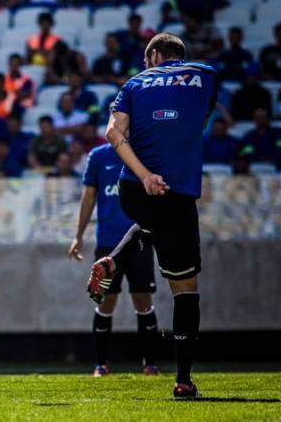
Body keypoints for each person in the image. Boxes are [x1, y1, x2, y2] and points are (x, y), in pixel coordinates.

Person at [97, 33, 217, 399]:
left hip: (134, 190)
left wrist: (145, 175)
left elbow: (113, 132)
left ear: (152, 54)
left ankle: (114, 260)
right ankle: (183, 380)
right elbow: (199, 119)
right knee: (186, 290)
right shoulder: (207, 74)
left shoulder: (133, 83)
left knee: (152, 226)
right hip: (177, 193)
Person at [69, 143, 159, 377]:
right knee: (105, 301)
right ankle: (100, 364)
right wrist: (78, 236)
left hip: (139, 240)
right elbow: (88, 197)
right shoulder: (98, 156)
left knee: (143, 299)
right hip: (107, 243)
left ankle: (150, 364)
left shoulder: (144, 151)